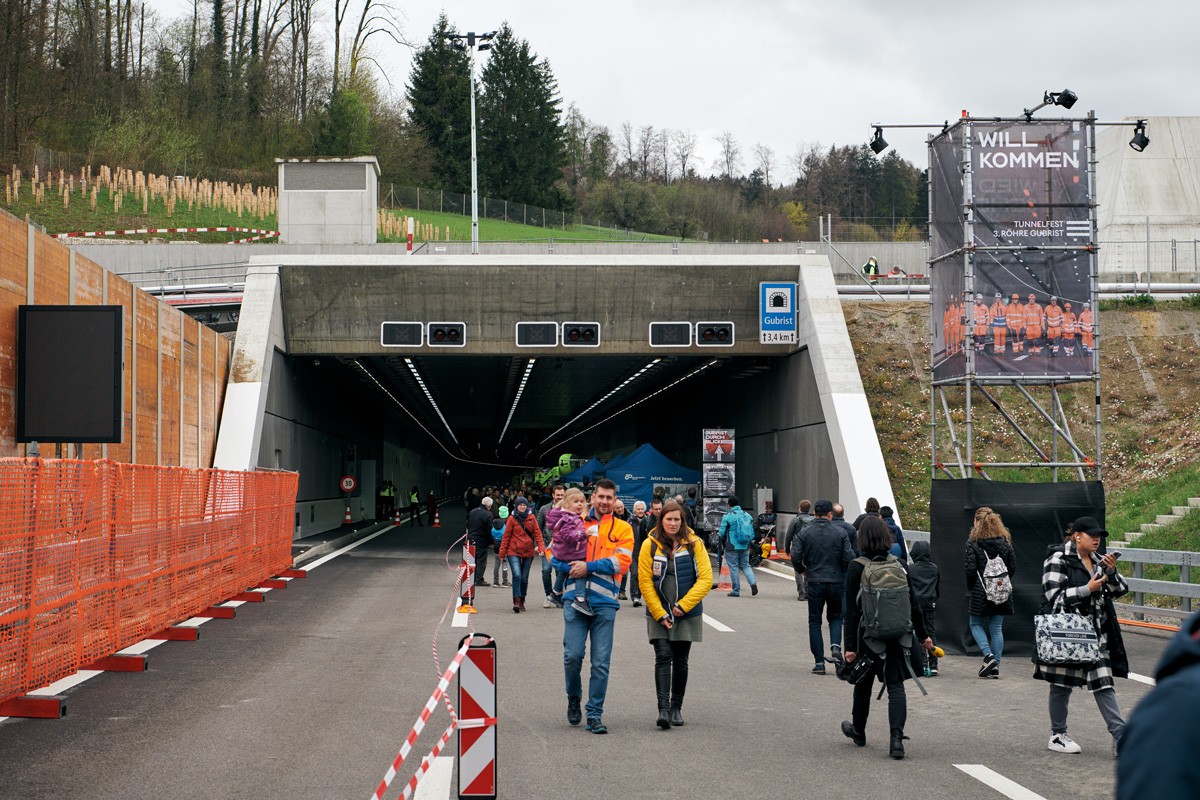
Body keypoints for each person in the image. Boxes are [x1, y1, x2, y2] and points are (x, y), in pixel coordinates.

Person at [1034, 516, 1128, 757]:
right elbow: (1053, 596)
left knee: (1104, 684)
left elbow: (1121, 591)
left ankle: (1121, 736)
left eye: (1099, 536)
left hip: (1097, 635)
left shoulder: (1098, 561)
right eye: (1092, 535)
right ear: (1077, 535)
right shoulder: (1058, 558)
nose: (1097, 540)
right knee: (1061, 685)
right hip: (1068, 636)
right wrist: (1088, 589)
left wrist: (1111, 572)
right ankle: (1057, 734)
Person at [841, 516, 933, 759]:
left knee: (863, 686)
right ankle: (896, 740)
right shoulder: (900, 564)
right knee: (896, 687)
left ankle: (858, 731)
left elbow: (850, 611)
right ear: (886, 537)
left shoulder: (856, 567)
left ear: (861, 538)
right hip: (899, 637)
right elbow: (914, 605)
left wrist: (849, 647)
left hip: (869, 638)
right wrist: (924, 636)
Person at [552, 478, 634, 734]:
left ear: (615, 499)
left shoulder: (623, 529)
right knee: (572, 656)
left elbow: (622, 563)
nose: (605, 501)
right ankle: (573, 697)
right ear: (592, 497)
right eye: (601, 496)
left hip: (605, 602)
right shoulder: (573, 520)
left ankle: (594, 714)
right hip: (574, 599)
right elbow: (552, 554)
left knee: (601, 662)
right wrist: (567, 568)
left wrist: (589, 566)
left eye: (610, 498)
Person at [639, 499, 712, 730]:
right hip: (658, 611)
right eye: (668, 519)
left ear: (682, 522)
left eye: (676, 519)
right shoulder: (649, 545)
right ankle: (662, 709)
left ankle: (676, 707)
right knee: (662, 656)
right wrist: (660, 613)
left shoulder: (695, 544)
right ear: (661, 520)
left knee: (681, 660)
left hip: (686, 612)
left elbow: (706, 579)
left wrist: (683, 606)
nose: (672, 523)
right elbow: (644, 581)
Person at [1116, 610, 1200, 796]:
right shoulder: (1180, 704)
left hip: (1097, 642)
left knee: (1104, 688)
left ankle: (1116, 732)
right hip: (1084, 640)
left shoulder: (1176, 701)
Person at [794, 499, 855, 674]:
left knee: (814, 622)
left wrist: (803, 570)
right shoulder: (840, 533)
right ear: (830, 515)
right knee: (836, 618)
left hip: (814, 582)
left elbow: (796, 556)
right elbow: (849, 557)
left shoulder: (805, 533)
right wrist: (842, 572)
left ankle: (819, 663)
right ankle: (835, 648)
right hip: (837, 581)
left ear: (814, 514)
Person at [964, 507, 1016, 678]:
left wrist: (972, 586)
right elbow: (1012, 567)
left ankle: (988, 655)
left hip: (981, 590)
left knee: (975, 624)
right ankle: (996, 667)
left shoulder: (973, 543)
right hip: (1001, 590)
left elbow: (970, 570)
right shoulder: (1005, 542)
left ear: (976, 522)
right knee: (996, 628)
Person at [547, 489, 592, 613]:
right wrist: (584, 534)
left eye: (582, 502)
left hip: (562, 552)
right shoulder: (570, 518)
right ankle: (580, 599)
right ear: (566, 504)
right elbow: (568, 535)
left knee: (563, 572)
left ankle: (555, 592)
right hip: (569, 552)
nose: (580, 504)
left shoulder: (566, 516)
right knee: (581, 571)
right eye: (576, 502)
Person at [498, 496, 544, 613]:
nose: (522, 507)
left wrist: (541, 547)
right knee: (517, 575)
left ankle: (522, 599)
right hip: (513, 551)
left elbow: (537, 533)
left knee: (524, 578)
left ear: (527, 506)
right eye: (520, 505)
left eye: (524, 505)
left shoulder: (531, 518)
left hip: (528, 551)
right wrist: (502, 552)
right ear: (516, 506)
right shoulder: (512, 519)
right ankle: (516, 601)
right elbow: (506, 536)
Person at [906, 541, 940, 675]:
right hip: (930, 604)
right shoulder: (934, 568)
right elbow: (937, 589)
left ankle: (922, 662)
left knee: (917, 632)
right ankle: (934, 663)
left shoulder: (911, 568)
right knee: (931, 632)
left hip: (915, 605)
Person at [717, 495, 758, 597]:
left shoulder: (728, 516)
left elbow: (721, 533)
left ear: (729, 504)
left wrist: (719, 535)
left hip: (732, 546)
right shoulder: (747, 515)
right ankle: (753, 583)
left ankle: (736, 591)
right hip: (745, 544)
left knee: (734, 567)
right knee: (745, 565)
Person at [537, 484, 566, 608]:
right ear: (553, 495)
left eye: (562, 495)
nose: (560, 497)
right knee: (546, 570)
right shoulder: (544, 509)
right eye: (557, 495)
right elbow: (538, 528)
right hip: (547, 544)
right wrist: (539, 545)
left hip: (563, 546)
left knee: (560, 571)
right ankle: (548, 595)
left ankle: (558, 595)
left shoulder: (569, 509)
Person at [466, 496, 494, 586]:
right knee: (481, 560)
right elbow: (490, 530)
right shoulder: (488, 515)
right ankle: (479, 579)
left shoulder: (472, 511)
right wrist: (491, 542)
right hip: (481, 541)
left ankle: (470, 579)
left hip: (470, 539)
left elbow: (467, 524)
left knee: (471, 560)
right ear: (489, 506)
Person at [628, 500, 650, 608]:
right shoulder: (630, 521)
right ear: (634, 510)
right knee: (634, 573)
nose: (640, 511)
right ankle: (635, 597)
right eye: (638, 509)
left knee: (643, 575)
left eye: (642, 509)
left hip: (645, 552)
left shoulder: (648, 521)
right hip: (633, 552)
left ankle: (640, 595)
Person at [489, 506, 511, 587]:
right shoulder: (507, 523)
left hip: (496, 543)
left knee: (496, 563)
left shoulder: (494, 522)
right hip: (504, 544)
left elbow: (490, 532)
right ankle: (505, 581)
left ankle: (495, 581)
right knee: (504, 562)